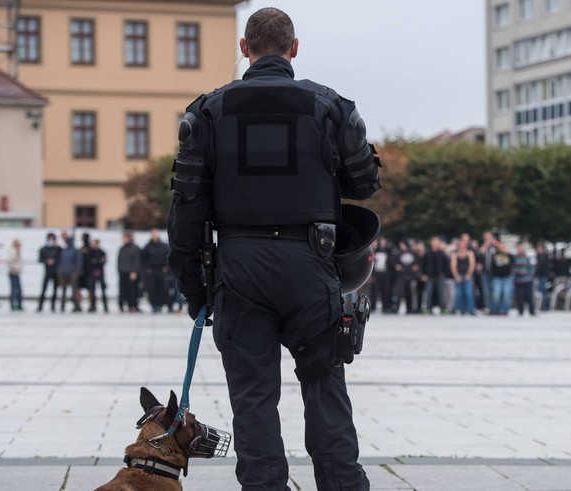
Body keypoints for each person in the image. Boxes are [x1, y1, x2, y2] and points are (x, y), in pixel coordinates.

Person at [166, 8, 380, 489]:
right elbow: (365, 186)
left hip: (239, 268)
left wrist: (194, 290)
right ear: (294, 48)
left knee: (253, 399)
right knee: (324, 385)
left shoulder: (207, 111)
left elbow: (185, 208)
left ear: (244, 48)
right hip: (311, 262)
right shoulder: (331, 106)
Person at [141, 230, 171, 313]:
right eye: (153, 234)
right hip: (151, 271)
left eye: (156, 234)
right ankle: (154, 305)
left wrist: (166, 267)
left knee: (162, 288)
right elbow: (143, 259)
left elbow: (168, 257)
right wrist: (146, 268)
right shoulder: (147, 246)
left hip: (162, 270)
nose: (154, 236)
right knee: (151, 289)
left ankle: (161, 304)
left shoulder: (164, 246)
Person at [451, 237, 477, 315]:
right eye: (460, 244)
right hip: (459, 275)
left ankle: (471, 310)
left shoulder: (470, 253)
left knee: (468, 293)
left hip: (468, 275)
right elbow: (453, 266)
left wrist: (469, 275)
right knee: (459, 293)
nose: (462, 245)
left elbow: (472, 265)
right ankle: (461, 309)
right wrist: (456, 276)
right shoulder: (455, 253)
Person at [57, 235, 82, 313]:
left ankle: (76, 306)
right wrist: (59, 270)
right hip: (63, 272)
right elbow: (60, 261)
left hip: (72, 273)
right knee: (63, 291)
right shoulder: (63, 250)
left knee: (74, 291)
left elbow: (78, 262)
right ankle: (62, 307)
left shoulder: (75, 250)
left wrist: (76, 272)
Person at [117, 232, 141, 313]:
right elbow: (119, 260)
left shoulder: (135, 248)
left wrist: (134, 271)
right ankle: (121, 305)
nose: (123, 239)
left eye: (124, 237)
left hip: (131, 273)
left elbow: (137, 261)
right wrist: (119, 270)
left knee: (132, 290)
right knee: (122, 290)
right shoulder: (122, 248)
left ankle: (132, 306)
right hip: (123, 272)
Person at [37, 232, 61, 312]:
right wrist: (47, 261)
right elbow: (40, 259)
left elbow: (61, 258)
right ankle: (40, 306)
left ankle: (53, 306)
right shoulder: (43, 249)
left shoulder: (58, 249)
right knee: (44, 289)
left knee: (55, 290)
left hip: (56, 272)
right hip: (47, 272)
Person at [512, 242, 535, 316]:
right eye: (519, 248)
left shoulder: (528, 257)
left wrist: (527, 273)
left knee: (530, 297)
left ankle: (532, 311)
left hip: (528, 280)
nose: (520, 249)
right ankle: (520, 311)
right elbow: (512, 268)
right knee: (520, 298)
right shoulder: (514, 258)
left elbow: (532, 268)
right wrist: (518, 272)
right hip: (518, 281)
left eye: (521, 247)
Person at [87, 239, 108, 313]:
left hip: (100, 273)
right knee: (92, 291)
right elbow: (89, 262)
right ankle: (93, 306)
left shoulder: (102, 252)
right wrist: (97, 261)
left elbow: (103, 262)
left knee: (103, 290)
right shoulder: (90, 252)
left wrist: (96, 261)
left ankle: (105, 306)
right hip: (92, 274)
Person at [6, 239, 24, 311]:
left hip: (17, 272)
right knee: (14, 289)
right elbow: (10, 262)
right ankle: (13, 304)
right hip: (13, 272)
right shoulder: (12, 252)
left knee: (19, 289)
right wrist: (16, 268)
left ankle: (19, 304)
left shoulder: (18, 252)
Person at [535, 243, 552, 311]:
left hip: (543, 276)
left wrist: (536, 273)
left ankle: (545, 306)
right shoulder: (540, 256)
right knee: (543, 292)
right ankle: (545, 305)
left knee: (544, 292)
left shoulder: (543, 256)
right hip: (542, 276)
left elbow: (540, 267)